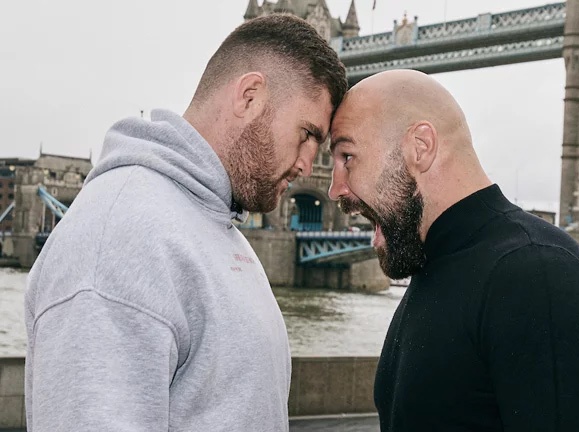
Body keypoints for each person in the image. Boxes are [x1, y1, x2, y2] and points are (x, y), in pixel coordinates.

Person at [24, 14, 347, 431]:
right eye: (306, 134)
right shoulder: (121, 238)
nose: (306, 164)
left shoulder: (217, 224)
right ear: (249, 96)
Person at [328, 69, 579, 431]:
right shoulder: (433, 265)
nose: (335, 189)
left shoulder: (538, 275)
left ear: (420, 146)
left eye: (348, 156)